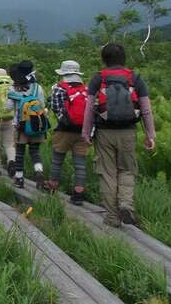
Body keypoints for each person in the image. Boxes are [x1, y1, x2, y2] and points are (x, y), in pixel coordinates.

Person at [82, 44, 156, 227]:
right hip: (128, 132)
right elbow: (146, 110)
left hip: (104, 132)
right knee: (127, 170)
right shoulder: (135, 78)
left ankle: (112, 218)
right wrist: (150, 134)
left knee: (107, 173)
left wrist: (86, 133)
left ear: (104, 59)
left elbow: (89, 109)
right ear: (124, 58)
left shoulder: (98, 79)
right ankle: (126, 205)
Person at [47, 61, 89, 204]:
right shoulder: (86, 89)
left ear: (64, 74)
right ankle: (78, 194)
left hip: (64, 130)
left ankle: (52, 187)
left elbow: (56, 109)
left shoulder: (58, 89)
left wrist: (65, 121)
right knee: (80, 164)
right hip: (82, 131)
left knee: (57, 160)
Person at [8, 61, 48, 189]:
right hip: (37, 125)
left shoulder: (13, 88)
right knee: (35, 151)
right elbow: (42, 105)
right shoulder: (38, 88)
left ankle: (19, 179)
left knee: (19, 153)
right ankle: (39, 171)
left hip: (21, 126)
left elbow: (8, 107)